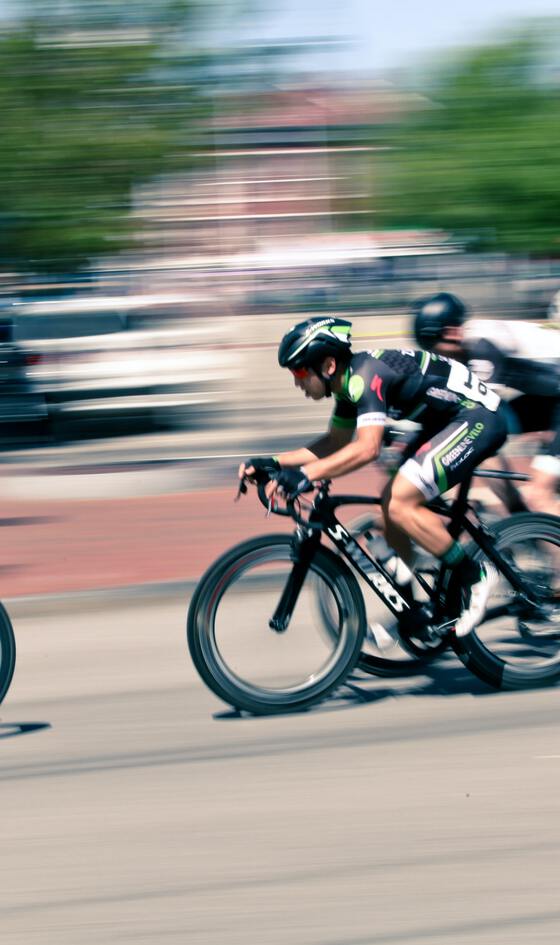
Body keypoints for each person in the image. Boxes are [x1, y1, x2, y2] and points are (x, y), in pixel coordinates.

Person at [239, 315, 508, 638]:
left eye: (299, 372)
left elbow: (368, 448)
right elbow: (335, 442)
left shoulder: (366, 376)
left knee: (400, 502)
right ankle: (411, 608)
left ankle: (475, 575)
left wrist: (305, 475)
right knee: (389, 507)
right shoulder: (346, 386)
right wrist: (274, 462)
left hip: (477, 418)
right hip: (443, 421)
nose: (297, 382)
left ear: (327, 365)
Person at [412, 291, 560, 515]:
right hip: (550, 398)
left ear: (451, 332)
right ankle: (521, 520)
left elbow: (483, 411)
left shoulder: (481, 344)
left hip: (552, 398)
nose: (437, 357)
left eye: (435, 348)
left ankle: (524, 520)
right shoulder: (468, 342)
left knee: (539, 495)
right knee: (481, 444)